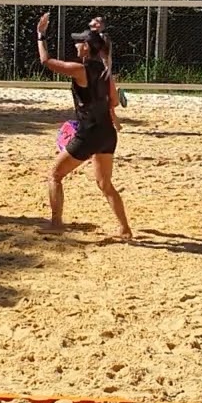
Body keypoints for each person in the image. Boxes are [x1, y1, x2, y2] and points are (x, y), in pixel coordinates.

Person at [36, 12, 132, 239]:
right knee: (105, 184)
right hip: (107, 133)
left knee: (55, 176)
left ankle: (56, 223)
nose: (77, 44)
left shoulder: (81, 70)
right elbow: (115, 101)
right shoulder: (106, 72)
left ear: (87, 48)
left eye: (80, 41)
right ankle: (125, 229)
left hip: (88, 134)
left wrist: (41, 36)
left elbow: (45, 61)